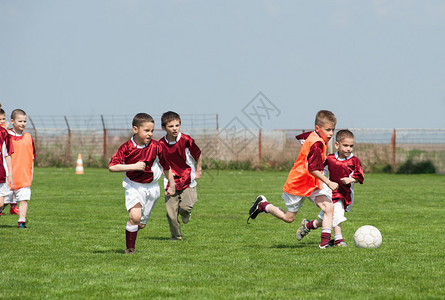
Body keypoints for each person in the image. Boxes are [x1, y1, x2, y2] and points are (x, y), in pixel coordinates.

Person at [248, 110, 339, 249]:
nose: (331, 133)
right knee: (288, 218)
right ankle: (263, 205)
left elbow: (304, 141)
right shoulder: (317, 143)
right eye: (328, 130)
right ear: (317, 128)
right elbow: (312, 169)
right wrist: (328, 182)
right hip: (298, 184)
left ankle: (324, 244)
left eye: (333, 129)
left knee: (328, 207)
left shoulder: (316, 137)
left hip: (313, 183)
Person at [109, 113, 176, 254]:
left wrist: (172, 184)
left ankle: (134, 228)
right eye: (146, 130)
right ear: (135, 129)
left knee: (141, 224)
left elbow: (166, 167)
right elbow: (112, 166)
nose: (150, 134)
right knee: (135, 217)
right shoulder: (126, 148)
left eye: (152, 131)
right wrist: (133, 166)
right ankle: (130, 249)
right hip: (134, 185)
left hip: (152, 188)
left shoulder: (157, 147)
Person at [297, 129, 364, 247]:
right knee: (336, 214)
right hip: (331, 192)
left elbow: (360, 176)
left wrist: (351, 179)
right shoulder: (330, 159)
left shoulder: (354, 160)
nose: (349, 148)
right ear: (337, 145)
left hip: (346, 193)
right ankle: (339, 240)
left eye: (351, 146)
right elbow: (321, 171)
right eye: (346, 145)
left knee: (327, 220)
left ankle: (307, 225)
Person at [159, 111, 202, 241]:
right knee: (171, 215)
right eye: (171, 126)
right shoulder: (160, 145)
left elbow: (198, 154)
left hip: (187, 179)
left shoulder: (186, 140)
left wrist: (198, 170)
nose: (175, 129)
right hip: (170, 181)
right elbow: (160, 163)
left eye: (177, 125)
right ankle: (176, 236)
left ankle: (186, 213)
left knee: (185, 207)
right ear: (164, 128)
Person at [7, 109, 35, 228]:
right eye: (20, 121)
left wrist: (31, 172)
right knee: (2, 202)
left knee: (24, 199)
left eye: (24, 121)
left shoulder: (28, 137)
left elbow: (32, 157)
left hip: (24, 176)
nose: (23, 123)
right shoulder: (6, 136)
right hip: (8, 176)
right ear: (12, 121)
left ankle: (21, 221)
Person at [0, 106, 18, 215]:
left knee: (2, 203)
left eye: (3, 119)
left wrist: (10, 174)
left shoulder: (4, 134)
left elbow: (7, 155)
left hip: (2, 173)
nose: (2, 121)